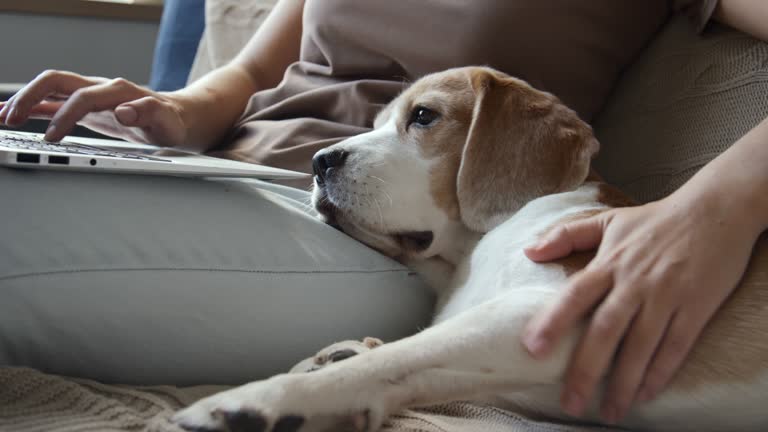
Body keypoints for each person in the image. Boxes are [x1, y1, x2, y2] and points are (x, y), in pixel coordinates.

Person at [1, 0, 766, 424]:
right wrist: (169, 110)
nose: (354, 151)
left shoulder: (540, 222)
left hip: (324, 235)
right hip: (214, 165)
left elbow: (537, 323)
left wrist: (712, 203)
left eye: (423, 120)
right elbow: (247, 77)